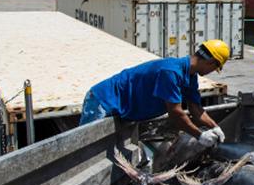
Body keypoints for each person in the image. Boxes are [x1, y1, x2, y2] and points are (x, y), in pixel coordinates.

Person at [79, 39, 230, 148]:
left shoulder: (190, 76)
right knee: (85, 150)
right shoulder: (171, 72)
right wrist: (199, 135)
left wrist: (215, 127)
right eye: (215, 68)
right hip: (103, 101)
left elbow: (195, 109)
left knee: (106, 150)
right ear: (211, 62)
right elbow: (176, 114)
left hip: (122, 109)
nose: (212, 72)